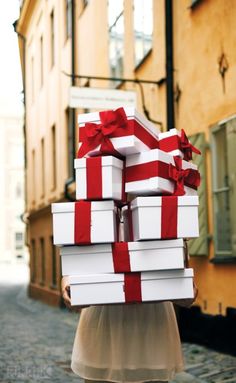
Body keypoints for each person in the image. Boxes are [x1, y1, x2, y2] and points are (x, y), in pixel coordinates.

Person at [61, 275, 198, 383]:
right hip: (104, 314)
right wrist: (67, 284)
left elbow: (176, 255)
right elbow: (74, 258)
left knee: (153, 376)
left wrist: (184, 285)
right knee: (99, 375)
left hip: (151, 314)